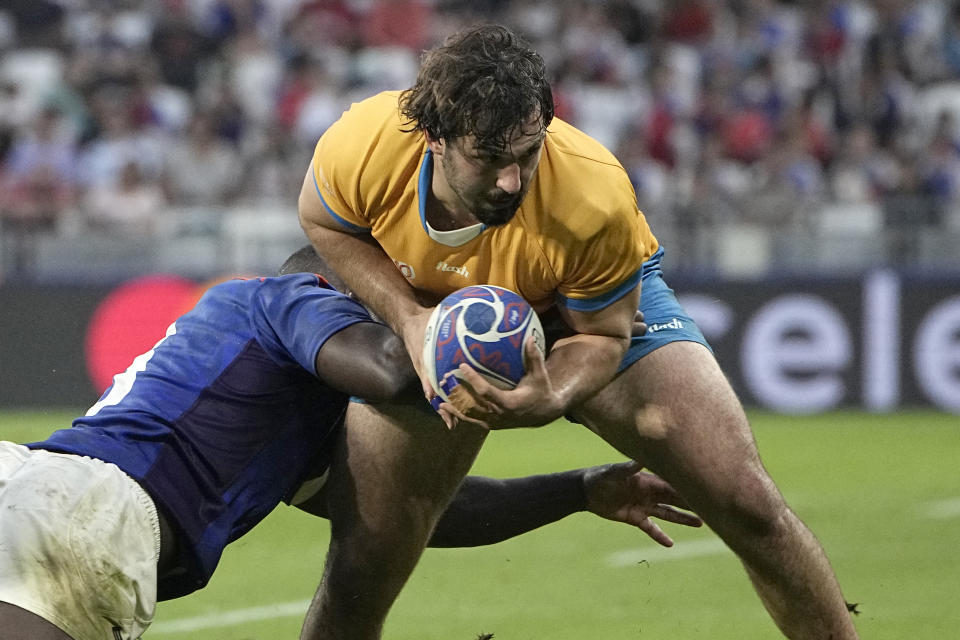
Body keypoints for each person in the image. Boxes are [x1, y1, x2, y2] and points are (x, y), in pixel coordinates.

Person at [298, 24, 859, 640]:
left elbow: (602, 337)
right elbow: (325, 224)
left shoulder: (592, 192)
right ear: (433, 138)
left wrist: (554, 394)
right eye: (489, 159)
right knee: (365, 559)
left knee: (747, 504)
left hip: (582, 309)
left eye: (528, 153)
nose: (512, 180)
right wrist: (410, 321)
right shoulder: (364, 143)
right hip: (435, 309)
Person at [0, 246, 701, 640]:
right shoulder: (288, 296)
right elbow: (395, 372)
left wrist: (578, 491)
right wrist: (492, 354)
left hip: (50, 498)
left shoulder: (286, 412)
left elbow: (414, 512)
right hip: (87, 516)